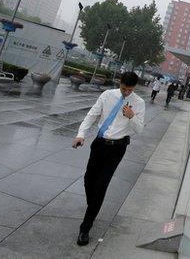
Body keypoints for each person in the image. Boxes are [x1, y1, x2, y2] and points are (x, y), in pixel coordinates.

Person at [72, 71, 145, 246]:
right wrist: (80, 134)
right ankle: (94, 207)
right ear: (119, 83)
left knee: (101, 185)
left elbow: (140, 129)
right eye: (123, 88)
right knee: (89, 180)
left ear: (134, 88)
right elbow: (92, 115)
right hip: (99, 144)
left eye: (129, 90)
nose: (126, 92)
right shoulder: (107, 95)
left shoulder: (138, 103)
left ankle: (85, 228)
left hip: (117, 148)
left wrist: (132, 116)